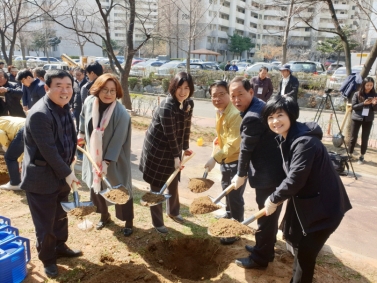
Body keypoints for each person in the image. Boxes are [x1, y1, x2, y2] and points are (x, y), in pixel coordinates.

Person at [261, 96, 352, 283]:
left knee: (305, 255)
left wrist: (273, 199)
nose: (275, 121)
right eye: (270, 117)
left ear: (291, 116)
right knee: (302, 253)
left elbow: (295, 178)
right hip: (313, 205)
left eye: (280, 115)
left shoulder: (304, 143)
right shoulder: (288, 137)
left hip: (325, 209)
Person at [21, 70, 82, 278]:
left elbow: (67, 140)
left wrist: (71, 159)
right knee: (45, 222)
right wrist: (69, 173)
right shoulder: (40, 114)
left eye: (68, 86)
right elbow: (49, 151)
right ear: (47, 87)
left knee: (61, 216)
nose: (65, 91)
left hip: (61, 173)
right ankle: (48, 259)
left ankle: (60, 247)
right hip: (41, 178)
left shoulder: (65, 108)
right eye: (59, 86)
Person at [229, 77, 286, 269]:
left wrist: (240, 174)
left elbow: (246, 149)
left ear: (251, 92)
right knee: (268, 216)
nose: (236, 99)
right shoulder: (258, 106)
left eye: (240, 94)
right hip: (274, 171)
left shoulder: (252, 116)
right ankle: (264, 249)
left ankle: (261, 258)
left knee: (266, 217)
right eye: (233, 96)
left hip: (268, 175)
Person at [79, 73, 134, 236]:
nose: (109, 94)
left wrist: (106, 163)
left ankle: (128, 221)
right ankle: (104, 215)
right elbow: (82, 118)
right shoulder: (89, 102)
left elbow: (118, 140)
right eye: (105, 90)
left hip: (115, 159)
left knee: (121, 189)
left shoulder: (121, 113)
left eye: (112, 91)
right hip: (93, 156)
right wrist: (81, 135)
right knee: (98, 187)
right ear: (97, 89)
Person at [139, 72, 194, 234]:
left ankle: (173, 211)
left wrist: (185, 148)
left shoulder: (188, 103)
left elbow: (186, 128)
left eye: (186, 88)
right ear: (173, 87)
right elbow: (170, 134)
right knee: (157, 187)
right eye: (179, 88)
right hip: (157, 150)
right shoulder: (167, 106)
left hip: (173, 148)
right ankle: (158, 222)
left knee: (173, 181)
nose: (183, 92)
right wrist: (177, 157)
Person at [205, 80, 245, 245]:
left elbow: (233, 143)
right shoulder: (220, 110)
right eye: (214, 95)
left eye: (222, 94)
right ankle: (229, 214)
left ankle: (236, 228)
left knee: (235, 195)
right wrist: (218, 139)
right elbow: (224, 135)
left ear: (229, 94)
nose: (218, 98)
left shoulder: (234, 114)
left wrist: (214, 158)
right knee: (226, 188)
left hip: (236, 160)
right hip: (226, 158)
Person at [348, 77, 377, 164]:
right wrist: (363, 103)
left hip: (368, 119)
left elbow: (375, 109)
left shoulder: (375, 95)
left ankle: (362, 156)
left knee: (365, 138)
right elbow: (354, 107)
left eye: (371, 85)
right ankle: (350, 154)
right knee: (353, 137)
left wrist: (374, 104)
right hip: (357, 118)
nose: (369, 87)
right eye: (367, 85)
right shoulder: (357, 94)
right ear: (363, 85)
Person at [0, 116, 25, 190]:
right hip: (35, 126)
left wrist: (7, 147)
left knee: (9, 157)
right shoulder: (3, 119)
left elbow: (1, 134)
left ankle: (15, 183)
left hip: (23, 130)